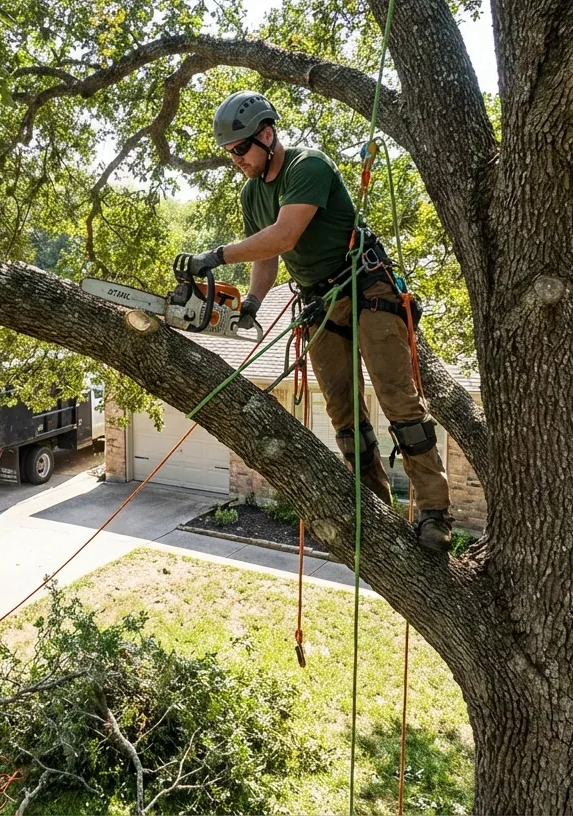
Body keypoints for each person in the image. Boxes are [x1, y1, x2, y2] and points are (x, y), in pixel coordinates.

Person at [181, 90, 453, 553]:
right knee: (343, 414)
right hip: (320, 301)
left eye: (241, 149)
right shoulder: (252, 193)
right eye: (230, 153)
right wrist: (251, 300)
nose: (236, 161)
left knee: (397, 400)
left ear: (267, 135)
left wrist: (215, 256)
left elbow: (285, 233)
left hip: (366, 288)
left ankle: (434, 512)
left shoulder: (308, 166)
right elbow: (268, 254)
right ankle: (372, 501)